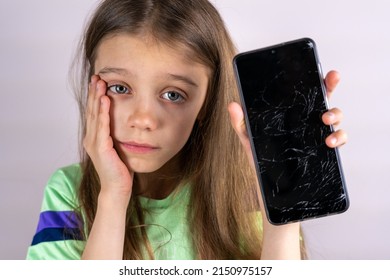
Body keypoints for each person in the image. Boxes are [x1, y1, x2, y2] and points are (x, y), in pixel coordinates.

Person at [26, 0, 347, 260]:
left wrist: (283, 210)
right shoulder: (69, 192)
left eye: (173, 95)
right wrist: (112, 196)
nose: (143, 119)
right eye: (120, 88)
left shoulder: (248, 194)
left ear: (207, 103)